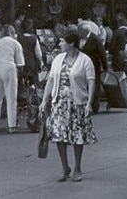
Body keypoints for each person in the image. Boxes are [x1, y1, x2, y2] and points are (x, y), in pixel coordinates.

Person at [39, 32, 97, 182]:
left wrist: (89, 103)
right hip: (59, 103)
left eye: (63, 42)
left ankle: (77, 167)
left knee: (77, 136)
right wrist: (45, 100)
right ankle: (65, 167)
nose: (60, 44)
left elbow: (91, 82)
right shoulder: (58, 59)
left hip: (77, 102)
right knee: (59, 135)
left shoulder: (85, 60)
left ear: (71, 43)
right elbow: (51, 80)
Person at [0, 25, 25, 134]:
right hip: (8, 68)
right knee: (11, 98)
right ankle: (11, 126)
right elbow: (20, 63)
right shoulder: (15, 43)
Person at [79, 23, 108, 115]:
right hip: (83, 67)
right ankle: (86, 106)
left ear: (85, 31)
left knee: (95, 87)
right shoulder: (81, 39)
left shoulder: (95, 39)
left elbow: (102, 53)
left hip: (94, 66)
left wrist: (105, 67)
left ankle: (95, 107)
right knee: (85, 86)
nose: (78, 33)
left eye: (80, 31)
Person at [17, 19, 43, 89]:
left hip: (20, 64)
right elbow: (38, 55)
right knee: (32, 84)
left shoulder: (18, 37)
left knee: (20, 84)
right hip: (31, 66)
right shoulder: (34, 38)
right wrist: (40, 64)